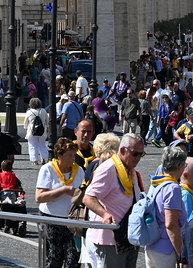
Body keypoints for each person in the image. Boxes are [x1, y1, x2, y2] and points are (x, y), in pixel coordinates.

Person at [83, 134, 146, 268]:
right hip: (111, 238)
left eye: (141, 154)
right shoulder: (108, 169)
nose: (138, 158)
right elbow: (88, 198)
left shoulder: (131, 170)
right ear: (122, 150)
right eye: (135, 154)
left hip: (129, 236)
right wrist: (105, 214)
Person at [36, 137, 85, 268]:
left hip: (73, 221)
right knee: (54, 260)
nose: (73, 158)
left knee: (73, 260)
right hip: (52, 220)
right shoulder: (47, 169)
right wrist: (63, 190)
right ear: (59, 155)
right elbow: (39, 197)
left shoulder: (79, 170)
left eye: (74, 154)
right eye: (70, 155)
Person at [145, 146, 187, 268]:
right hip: (166, 250)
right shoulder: (172, 188)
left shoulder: (156, 183)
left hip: (151, 246)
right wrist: (181, 254)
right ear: (180, 166)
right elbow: (171, 225)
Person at [23, 97, 48, 165]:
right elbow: (47, 121)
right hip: (42, 130)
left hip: (31, 131)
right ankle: (43, 158)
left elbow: (26, 122)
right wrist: (47, 128)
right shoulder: (43, 111)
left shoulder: (29, 112)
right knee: (42, 145)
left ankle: (35, 160)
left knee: (32, 146)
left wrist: (26, 128)